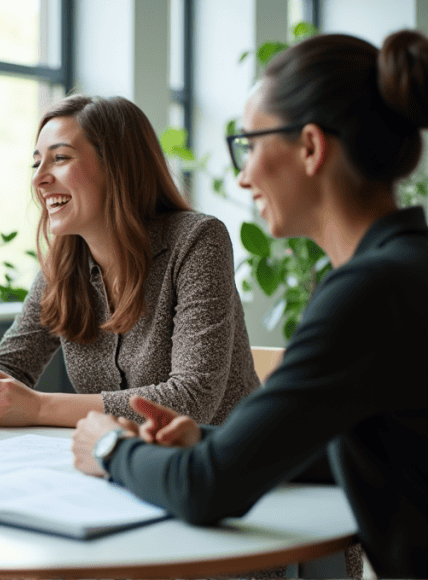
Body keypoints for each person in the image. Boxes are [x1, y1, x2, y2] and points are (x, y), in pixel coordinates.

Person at [72, 29, 428, 579]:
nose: (242, 175)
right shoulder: (406, 269)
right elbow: (361, 446)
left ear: (310, 147)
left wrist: (110, 451)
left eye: (251, 145)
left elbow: (207, 491)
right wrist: (213, 441)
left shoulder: (367, 293)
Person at [0, 95, 260, 428]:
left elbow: (190, 400)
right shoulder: (64, 263)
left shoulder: (197, 240)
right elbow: (10, 366)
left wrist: (39, 407)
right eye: (36, 162)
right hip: (119, 462)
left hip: (228, 463)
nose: (38, 179)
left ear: (117, 167)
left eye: (60, 158)